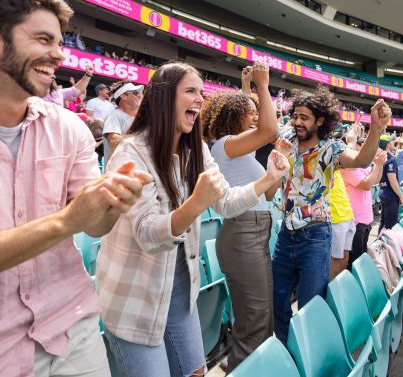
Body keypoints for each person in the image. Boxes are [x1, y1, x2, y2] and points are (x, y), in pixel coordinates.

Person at [0, 0, 151, 376]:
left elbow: (95, 226)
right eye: (44, 39)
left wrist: (110, 203)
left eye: (60, 43)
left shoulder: (69, 128)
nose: (58, 55)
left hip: (71, 332)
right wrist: (68, 220)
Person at [96, 62, 290, 377]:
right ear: (162, 97)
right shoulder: (130, 153)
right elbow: (147, 234)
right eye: (190, 91)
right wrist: (195, 204)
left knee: (195, 372)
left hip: (180, 291)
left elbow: (226, 203)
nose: (200, 99)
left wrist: (269, 179)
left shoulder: (196, 148)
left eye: (201, 92)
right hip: (136, 302)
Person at [272, 87, 392, 344]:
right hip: (285, 235)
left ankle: (307, 358)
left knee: (310, 306)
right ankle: (285, 353)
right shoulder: (286, 137)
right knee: (278, 301)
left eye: (304, 117)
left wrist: (375, 129)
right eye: (295, 116)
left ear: (321, 120)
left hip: (315, 236)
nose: (297, 122)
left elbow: (361, 160)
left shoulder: (331, 149)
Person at [199, 62, 279, 372]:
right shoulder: (224, 146)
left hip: (255, 233)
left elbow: (267, 195)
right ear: (236, 119)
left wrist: (247, 90)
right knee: (253, 319)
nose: (258, 114)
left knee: (259, 314)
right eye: (251, 111)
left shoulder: (238, 148)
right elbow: (268, 129)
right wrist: (263, 85)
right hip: (243, 235)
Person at [344, 144, 386, 269]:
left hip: (365, 220)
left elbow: (376, 180)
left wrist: (380, 164)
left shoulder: (359, 168)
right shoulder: (347, 169)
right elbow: (366, 185)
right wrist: (377, 165)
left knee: (361, 259)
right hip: (355, 221)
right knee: (355, 263)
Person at [102, 81, 143, 163]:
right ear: (123, 96)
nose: (139, 95)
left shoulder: (142, 118)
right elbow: (114, 142)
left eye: (139, 92)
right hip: (118, 172)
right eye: (135, 93)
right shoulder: (114, 115)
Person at [378, 135, 403, 231]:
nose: (393, 143)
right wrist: (401, 197)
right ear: (388, 144)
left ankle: (379, 244)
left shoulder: (379, 156)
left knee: (383, 222)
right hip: (390, 195)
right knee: (390, 225)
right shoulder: (390, 158)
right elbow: (392, 180)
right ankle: (382, 245)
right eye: (391, 141)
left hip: (383, 192)